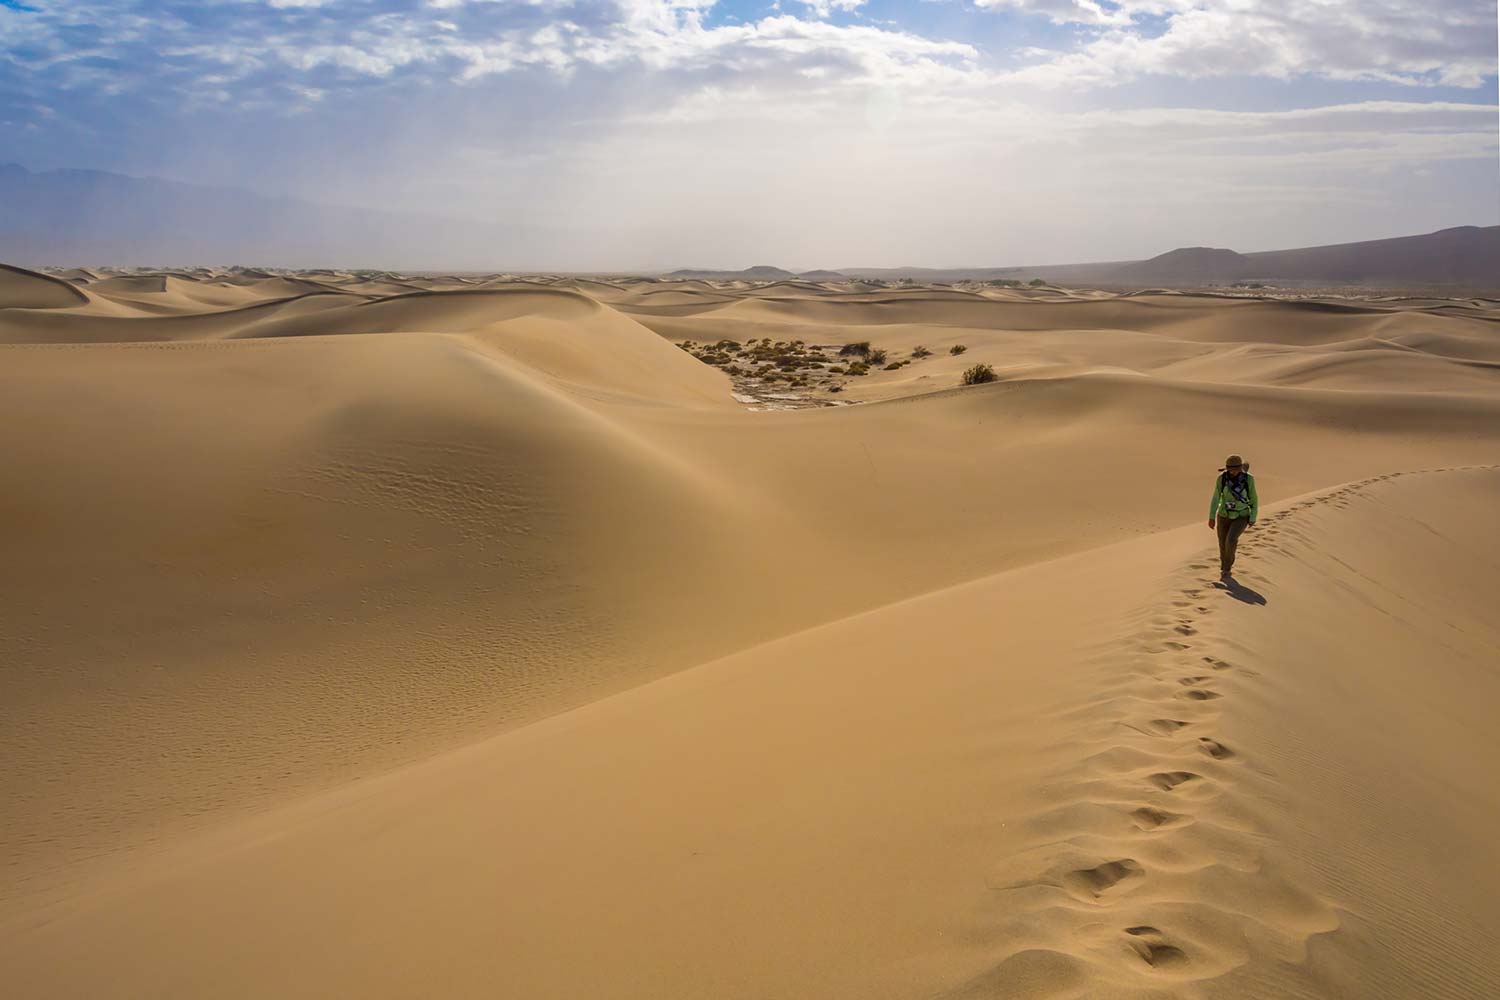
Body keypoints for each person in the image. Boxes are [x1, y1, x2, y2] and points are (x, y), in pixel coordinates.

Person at [1208, 454, 1257, 579]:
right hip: (1223, 515)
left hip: (1241, 515)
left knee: (1231, 540)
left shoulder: (1248, 479)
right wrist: (1212, 516)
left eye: (1236, 469)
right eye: (1231, 469)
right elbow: (1216, 497)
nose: (1233, 472)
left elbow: (1254, 499)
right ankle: (1223, 565)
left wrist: (1253, 517)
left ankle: (1227, 568)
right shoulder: (1222, 479)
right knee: (1222, 543)